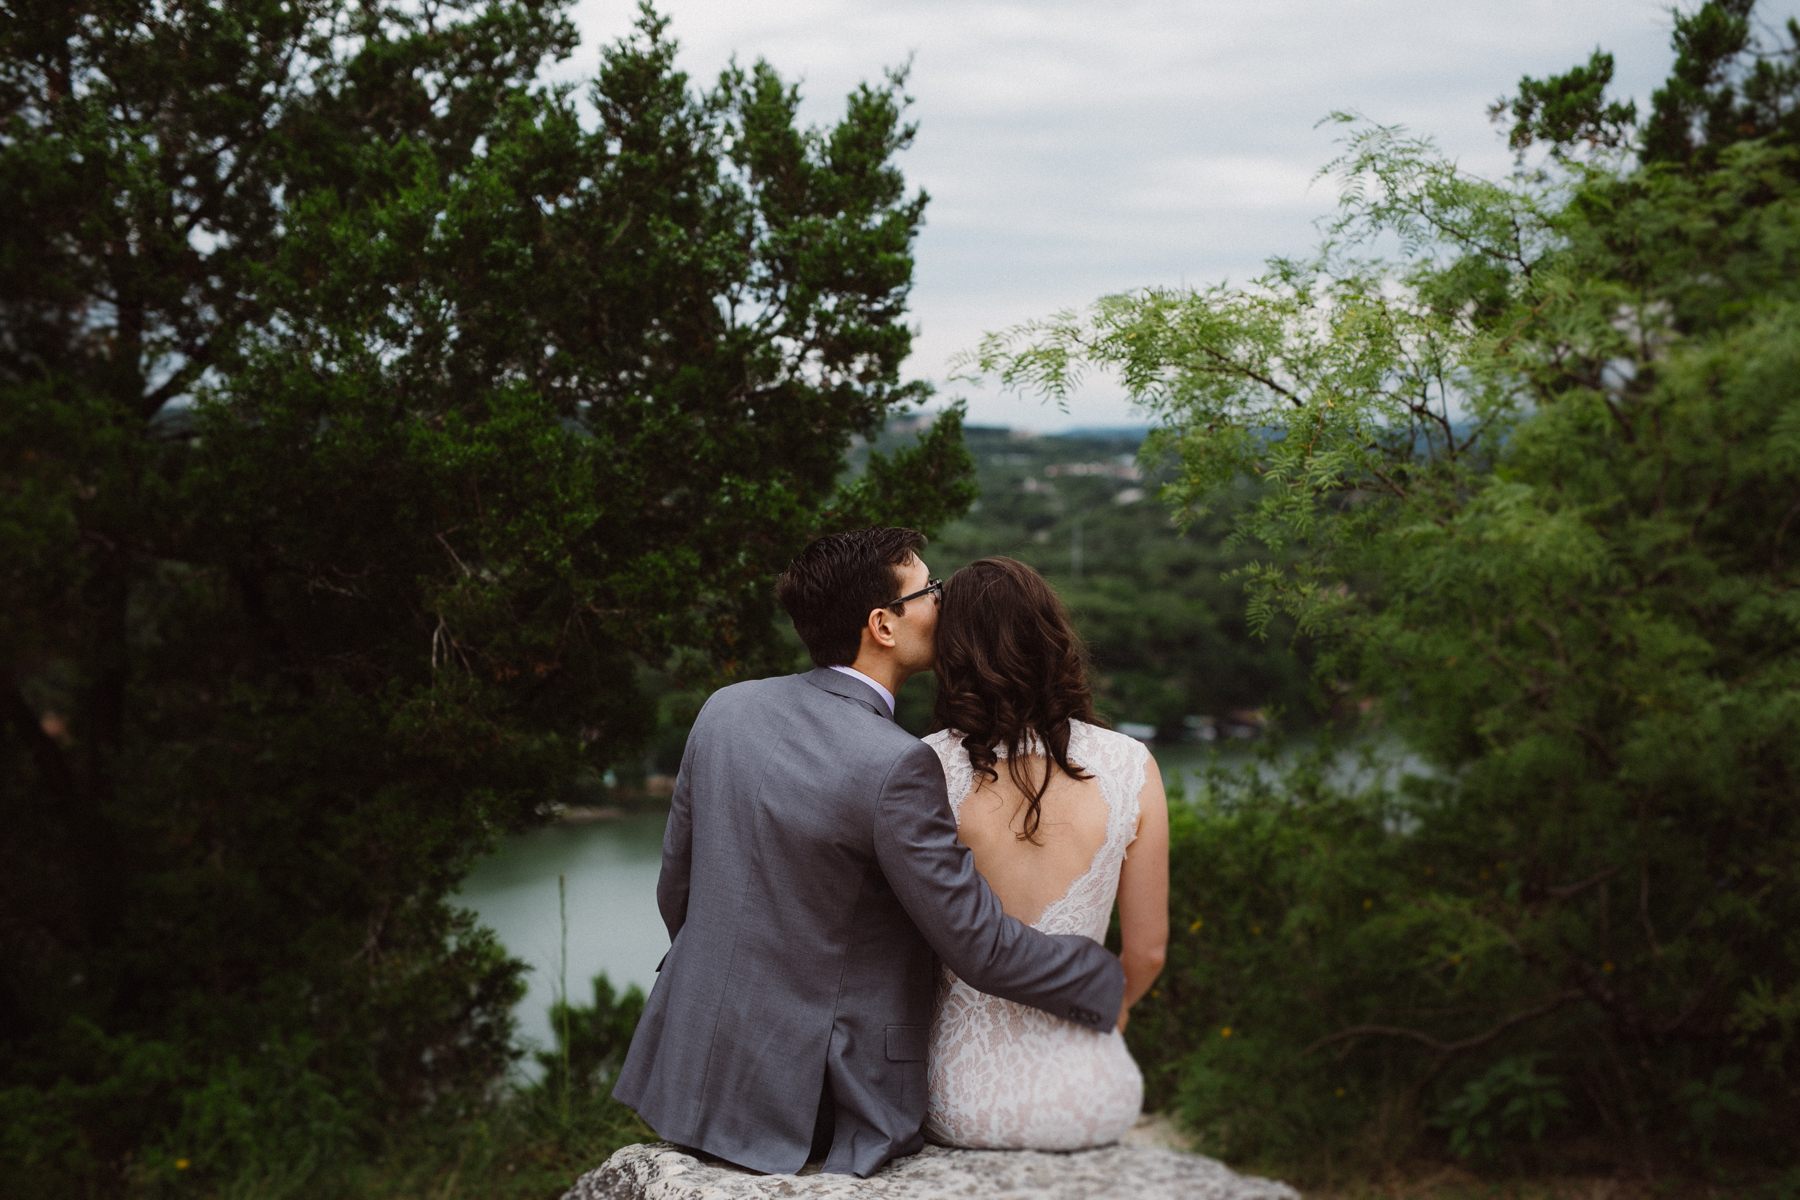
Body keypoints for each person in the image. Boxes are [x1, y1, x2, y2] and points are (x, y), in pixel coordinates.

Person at [611, 528, 1124, 1178]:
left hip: (694, 1070)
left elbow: (675, 892)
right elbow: (980, 948)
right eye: (930, 590)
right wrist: (1106, 979)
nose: (944, 600)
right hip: (818, 1103)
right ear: (883, 624)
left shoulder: (725, 710)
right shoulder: (897, 766)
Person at [921, 556, 1169, 1150]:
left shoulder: (925, 768)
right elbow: (1149, 951)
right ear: (1051, 638)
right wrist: (1114, 1010)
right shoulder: (1131, 764)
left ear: (949, 652)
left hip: (959, 1093)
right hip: (1092, 1092)